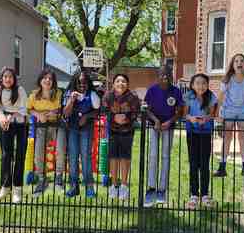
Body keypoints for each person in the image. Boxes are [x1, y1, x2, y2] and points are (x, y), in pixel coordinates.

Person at [143, 66, 184, 207]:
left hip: (168, 127)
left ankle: (162, 190)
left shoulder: (176, 91)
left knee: (166, 156)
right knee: (153, 155)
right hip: (154, 126)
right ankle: (151, 189)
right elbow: (146, 109)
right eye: (162, 74)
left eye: (167, 74)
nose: (164, 77)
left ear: (171, 76)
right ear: (158, 76)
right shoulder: (152, 90)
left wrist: (169, 122)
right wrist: (156, 121)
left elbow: (180, 112)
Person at [215, 53, 244, 178]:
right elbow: (220, 98)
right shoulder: (227, 79)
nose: (239, 63)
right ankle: (222, 167)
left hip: (243, 112)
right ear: (232, 65)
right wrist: (217, 114)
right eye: (236, 61)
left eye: (242, 61)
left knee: (242, 138)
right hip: (228, 111)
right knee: (227, 137)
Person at [27, 69, 67, 196]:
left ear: (53, 81)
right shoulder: (34, 95)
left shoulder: (59, 93)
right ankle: (41, 179)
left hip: (57, 125)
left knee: (60, 150)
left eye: (50, 78)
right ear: (40, 80)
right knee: (38, 153)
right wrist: (38, 114)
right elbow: (28, 109)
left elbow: (61, 108)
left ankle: (59, 177)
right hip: (42, 127)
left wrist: (52, 113)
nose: (47, 80)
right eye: (45, 78)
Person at [102, 73, 141, 201]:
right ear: (113, 84)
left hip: (127, 131)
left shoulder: (133, 96)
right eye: (118, 81)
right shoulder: (108, 96)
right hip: (112, 131)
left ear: (127, 84)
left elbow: (137, 112)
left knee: (125, 158)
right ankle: (114, 185)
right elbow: (104, 110)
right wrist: (114, 117)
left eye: (123, 81)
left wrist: (126, 118)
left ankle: (124, 186)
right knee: (113, 157)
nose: (121, 83)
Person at [62, 69, 101, 198]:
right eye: (79, 83)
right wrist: (71, 100)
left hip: (86, 129)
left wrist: (86, 116)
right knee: (73, 157)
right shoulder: (69, 93)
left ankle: (89, 187)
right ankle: (74, 186)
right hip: (72, 129)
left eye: (84, 82)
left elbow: (97, 111)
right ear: (75, 83)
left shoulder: (92, 94)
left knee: (86, 157)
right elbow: (65, 113)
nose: (82, 85)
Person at [0, 67, 28, 203]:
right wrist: (2, 117)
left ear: (14, 79)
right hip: (5, 125)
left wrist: (10, 116)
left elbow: (23, 108)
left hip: (20, 125)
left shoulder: (20, 90)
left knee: (20, 155)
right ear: (2, 78)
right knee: (6, 155)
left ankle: (17, 189)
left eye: (10, 77)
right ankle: (5, 186)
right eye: (5, 76)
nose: (8, 79)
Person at [183, 73, 218, 209]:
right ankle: (193, 194)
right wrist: (190, 118)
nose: (201, 86)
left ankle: (204, 195)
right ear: (192, 85)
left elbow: (213, 114)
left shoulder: (211, 96)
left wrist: (206, 119)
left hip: (206, 133)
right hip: (192, 133)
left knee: (204, 164)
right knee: (193, 163)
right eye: (197, 83)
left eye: (203, 83)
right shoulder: (188, 96)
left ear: (207, 85)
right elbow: (184, 114)